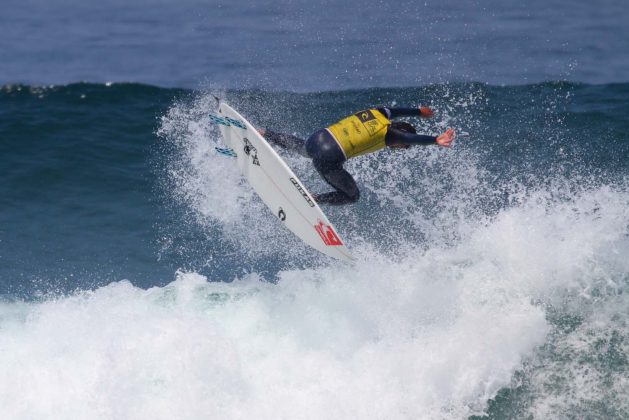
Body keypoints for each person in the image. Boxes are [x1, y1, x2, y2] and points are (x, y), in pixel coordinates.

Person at [258, 106, 456, 205]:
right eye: (401, 147)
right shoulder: (389, 135)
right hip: (330, 156)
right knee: (352, 196)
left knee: (303, 148)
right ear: (400, 142)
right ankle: (314, 199)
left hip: (318, 138)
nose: (397, 147)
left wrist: (419, 112)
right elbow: (409, 138)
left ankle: (265, 133)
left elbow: (398, 110)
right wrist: (435, 140)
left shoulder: (379, 112)